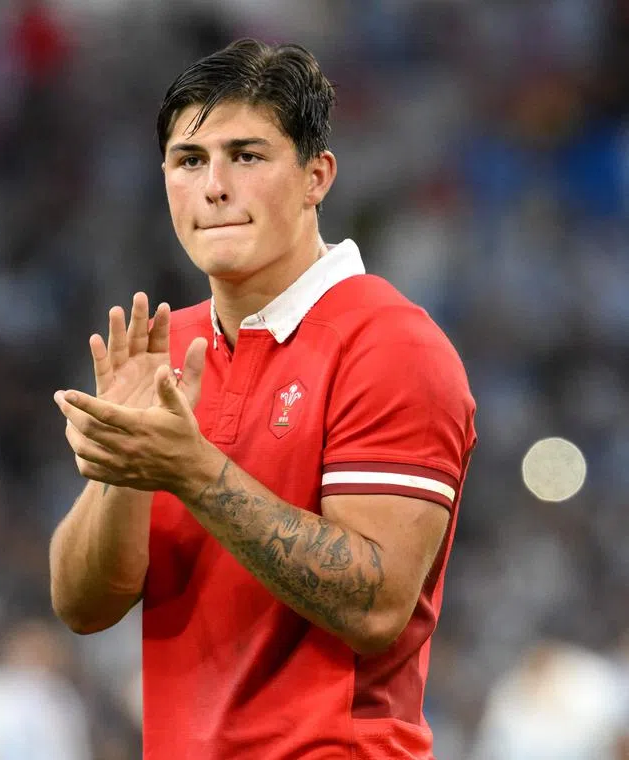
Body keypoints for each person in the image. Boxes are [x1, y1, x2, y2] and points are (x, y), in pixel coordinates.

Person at [49, 38, 477, 759]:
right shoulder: (168, 348)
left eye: (246, 156)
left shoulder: (391, 344)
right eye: (189, 161)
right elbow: (82, 607)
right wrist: (124, 471)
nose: (214, 186)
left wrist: (191, 471)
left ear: (317, 176)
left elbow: (375, 607)